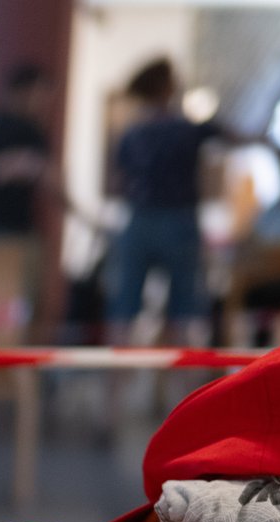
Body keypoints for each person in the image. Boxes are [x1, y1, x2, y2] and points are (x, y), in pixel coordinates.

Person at [108, 58, 219, 344]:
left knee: (125, 307)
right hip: (178, 219)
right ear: (167, 87)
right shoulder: (185, 129)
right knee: (183, 308)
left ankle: (115, 386)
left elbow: (117, 183)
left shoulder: (132, 133)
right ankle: (179, 386)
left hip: (139, 218)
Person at [0, 63, 53, 238]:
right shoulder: (28, 130)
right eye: (41, 94)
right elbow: (51, 179)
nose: (45, 103)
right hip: (8, 229)